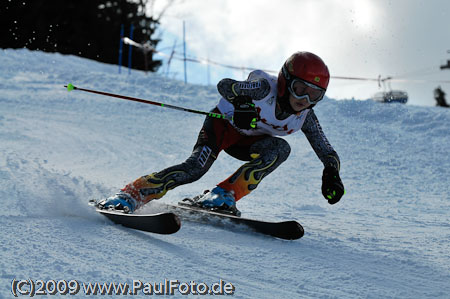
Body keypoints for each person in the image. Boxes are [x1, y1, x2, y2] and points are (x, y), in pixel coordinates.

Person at [98, 51, 345, 215]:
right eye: (300, 88)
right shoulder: (263, 88)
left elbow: (326, 150)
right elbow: (226, 85)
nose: (304, 99)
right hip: (222, 129)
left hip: (251, 143)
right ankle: (132, 193)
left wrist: (331, 171)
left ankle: (223, 195)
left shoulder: (306, 117)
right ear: (285, 81)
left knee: (281, 149)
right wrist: (242, 103)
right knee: (195, 168)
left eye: (314, 95)